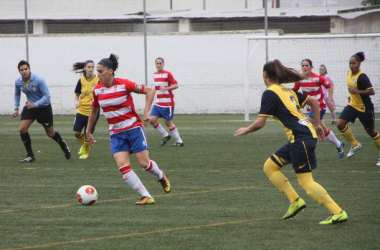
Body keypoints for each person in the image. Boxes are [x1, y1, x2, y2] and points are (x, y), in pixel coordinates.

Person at [234, 59, 348, 225]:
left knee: (306, 182)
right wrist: (317, 124)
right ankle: (295, 201)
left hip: (300, 138)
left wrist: (246, 129)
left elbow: (260, 123)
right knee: (270, 166)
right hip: (302, 136)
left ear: (264, 75)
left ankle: (337, 212)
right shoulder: (286, 90)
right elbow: (314, 102)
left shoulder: (270, 93)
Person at [85, 54, 171, 205]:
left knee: (144, 164)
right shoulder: (97, 91)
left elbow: (150, 91)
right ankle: (146, 196)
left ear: (110, 71)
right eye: (97, 71)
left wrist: (146, 112)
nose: (97, 74)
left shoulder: (124, 84)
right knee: (122, 167)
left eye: (100, 71)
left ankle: (160, 174)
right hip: (116, 134)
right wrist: (88, 130)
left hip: (133, 129)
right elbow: (94, 111)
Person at [13, 60, 71, 163]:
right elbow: (17, 94)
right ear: (19, 71)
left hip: (43, 108)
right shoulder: (18, 82)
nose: (24, 71)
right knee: (22, 129)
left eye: (26, 69)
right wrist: (16, 108)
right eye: (21, 70)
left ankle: (63, 144)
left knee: (50, 133)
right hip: (30, 107)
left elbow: (47, 96)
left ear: (29, 69)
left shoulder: (39, 79)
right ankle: (30, 155)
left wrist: (36, 104)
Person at [294, 59, 344, 159]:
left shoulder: (317, 78)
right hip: (309, 109)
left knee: (305, 125)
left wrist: (329, 100)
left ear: (311, 67)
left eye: (307, 65)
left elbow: (330, 86)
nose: (304, 67)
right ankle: (339, 144)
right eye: (303, 66)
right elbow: (294, 91)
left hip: (319, 107)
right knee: (323, 130)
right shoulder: (299, 79)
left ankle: (304, 152)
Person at [336, 52, 380, 166]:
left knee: (371, 132)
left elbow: (372, 91)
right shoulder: (349, 74)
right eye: (350, 63)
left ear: (359, 64)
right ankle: (355, 144)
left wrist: (357, 92)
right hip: (352, 105)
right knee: (340, 124)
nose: (351, 65)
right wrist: (351, 96)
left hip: (365, 108)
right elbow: (351, 89)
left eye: (353, 63)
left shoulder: (362, 76)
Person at [149, 57, 184, 147]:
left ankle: (179, 141)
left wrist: (166, 88)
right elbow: (156, 88)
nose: (159, 65)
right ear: (155, 64)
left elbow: (176, 85)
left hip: (167, 103)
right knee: (152, 120)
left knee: (168, 122)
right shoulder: (154, 75)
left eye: (160, 63)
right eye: (157, 63)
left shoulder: (168, 74)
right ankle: (166, 135)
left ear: (163, 64)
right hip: (158, 103)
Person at [72, 60, 100, 159]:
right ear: (84, 68)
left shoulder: (98, 80)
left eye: (92, 67)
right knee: (76, 132)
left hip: (93, 111)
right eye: (88, 67)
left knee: (87, 133)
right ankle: (85, 144)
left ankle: (86, 152)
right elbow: (77, 94)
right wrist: (76, 101)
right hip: (81, 109)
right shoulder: (81, 80)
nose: (91, 69)